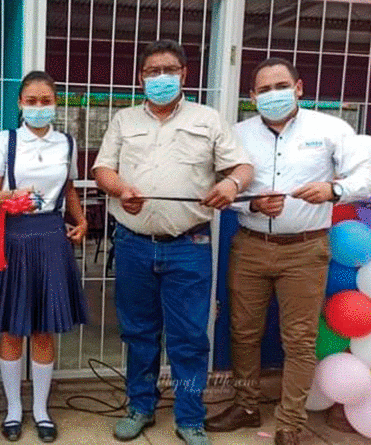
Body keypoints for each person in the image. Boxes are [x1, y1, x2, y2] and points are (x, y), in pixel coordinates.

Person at [204, 57, 371, 445]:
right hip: (250, 247)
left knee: (299, 339)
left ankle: (290, 423)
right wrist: (249, 204)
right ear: (251, 96)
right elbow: (222, 188)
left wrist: (333, 190)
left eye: (280, 86)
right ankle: (246, 404)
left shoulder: (331, 128)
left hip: (305, 249)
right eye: (263, 90)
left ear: (298, 88)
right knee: (243, 332)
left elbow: (368, 176)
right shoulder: (238, 134)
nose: (273, 95)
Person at [92, 40, 253, 445]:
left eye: (168, 70)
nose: (160, 78)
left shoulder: (208, 119)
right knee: (139, 332)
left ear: (184, 74)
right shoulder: (124, 120)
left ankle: (190, 417)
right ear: (141, 77)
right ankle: (141, 406)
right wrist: (121, 188)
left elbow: (242, 165)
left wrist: (232, 184)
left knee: (189, 337)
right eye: (151, 71)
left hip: (189, 244)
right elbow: (102, 170)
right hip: (133, 244)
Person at [0, 71, 88, 443]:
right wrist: (12, 197)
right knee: (10, 327)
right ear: (20, 104)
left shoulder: (66, 143)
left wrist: (82, 218)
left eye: (46, 101)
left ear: (55, 104)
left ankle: (40, 410)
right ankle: (13, 409)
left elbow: (69, 187)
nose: (39, 108)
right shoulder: (4, 141)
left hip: (51, 237)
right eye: (32, 101)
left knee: (43, 328)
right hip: (14, 237)